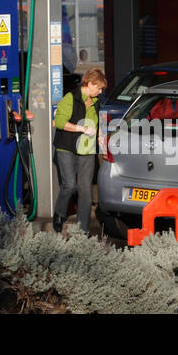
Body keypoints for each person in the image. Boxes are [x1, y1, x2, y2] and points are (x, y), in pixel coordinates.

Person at [53, 67, 107, 234]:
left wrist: (100, 139)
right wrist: (82, 128)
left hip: (87, 149)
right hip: (67, 147)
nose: (100, 92)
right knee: (69, 185)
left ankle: (83, 230)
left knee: (85, 189)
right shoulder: (70, 99)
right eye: (98, 88)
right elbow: (59, 122)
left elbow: (97, 125)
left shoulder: (96, 102)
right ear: (89, 83)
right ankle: (59, 213)